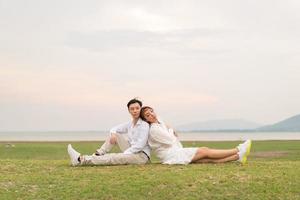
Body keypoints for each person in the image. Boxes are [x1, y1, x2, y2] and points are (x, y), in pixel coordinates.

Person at [140, 106, 252, 165]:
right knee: (204, 151)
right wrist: (171, 130)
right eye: (148, 115)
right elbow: (170, 140)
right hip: (171, 155)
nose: (152, 115)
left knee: (207, 159)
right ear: (146, 119)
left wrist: (170, 128)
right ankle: (238, 149)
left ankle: (238, 157)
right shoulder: (154, 130)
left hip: (176, 151)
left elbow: (166, 126)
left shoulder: (158, 121)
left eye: (152, 111)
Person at [67, 98, 151, 166]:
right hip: (132, 151)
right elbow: (115, 128)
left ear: (141, 109)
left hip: (141, 156)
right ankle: (98, 154)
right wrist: (113, 134)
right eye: (132, 109)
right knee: (116, 135)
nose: (135, 111)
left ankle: (80, 160)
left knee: (113, 157)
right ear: (129, 111)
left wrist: (125, 154)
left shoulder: (144, 125)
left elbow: (140, 145)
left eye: (137, 108)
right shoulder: (130, 124)